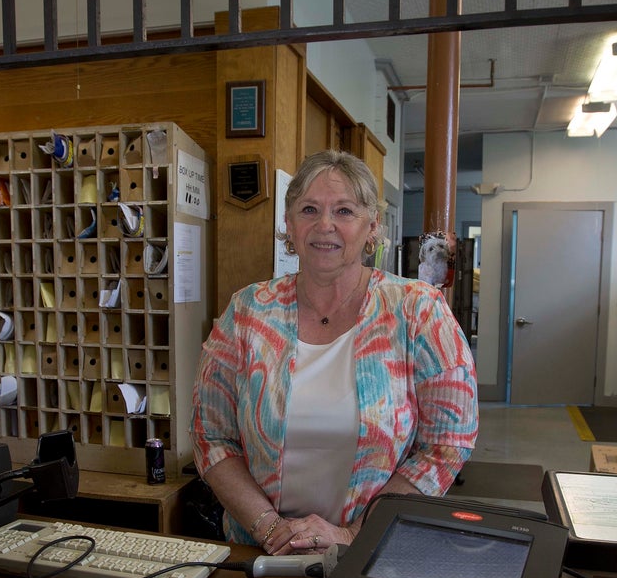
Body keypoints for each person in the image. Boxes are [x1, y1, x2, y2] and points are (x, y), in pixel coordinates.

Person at [191, 149, 478, 555]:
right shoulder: (248, 311)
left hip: (373, 553)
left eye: (344, 211)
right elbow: (212, 436)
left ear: (371, 227)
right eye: (309, 209)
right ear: (289, 224)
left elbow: (448, 443)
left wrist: (352, 535)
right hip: (258, 552)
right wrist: (273, 530)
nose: (324, 225)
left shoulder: (419, 310)